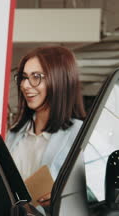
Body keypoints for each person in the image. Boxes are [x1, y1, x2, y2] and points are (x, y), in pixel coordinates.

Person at [7, 46, 86, 207]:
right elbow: (0, 187)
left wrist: (62, 197)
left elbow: (95, 192)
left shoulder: (80, 134)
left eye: (36, 77)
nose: (25, 85)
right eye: (23, 77)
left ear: (59, 80)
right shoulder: (15, 133)